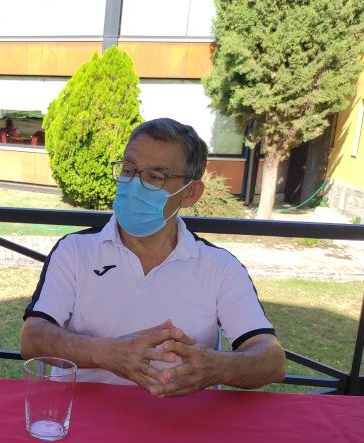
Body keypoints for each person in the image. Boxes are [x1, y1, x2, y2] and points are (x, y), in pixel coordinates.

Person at [19, 118, 285, 397]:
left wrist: (219, 367)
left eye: (155, 177)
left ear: (190, 193)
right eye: (128, 170)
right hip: (84, 420)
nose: (135, 185)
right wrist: (106, 353)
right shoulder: (75, 251)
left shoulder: (218, 267)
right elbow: (33, 338)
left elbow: (271, 360)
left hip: (180, 425)